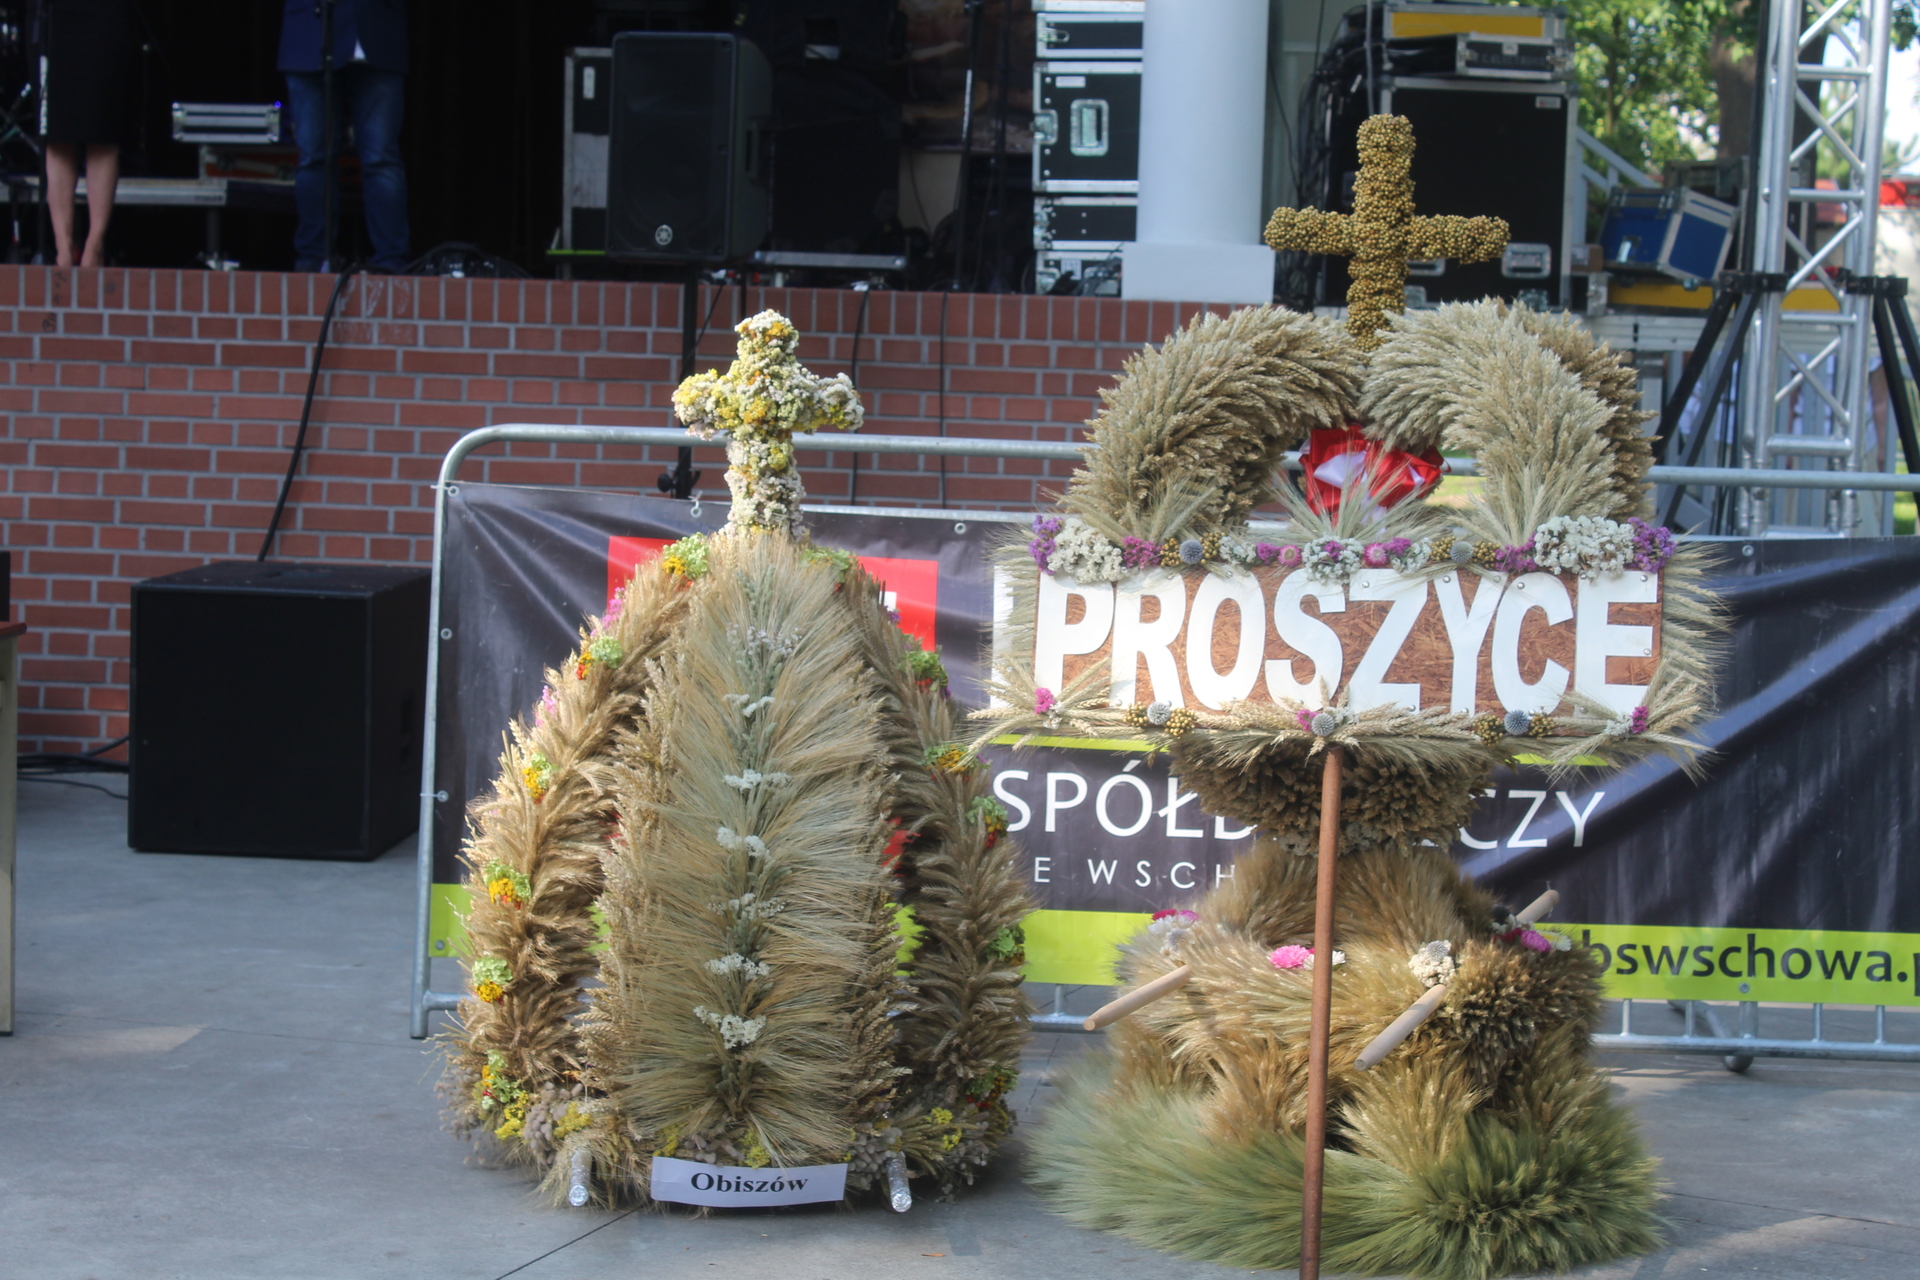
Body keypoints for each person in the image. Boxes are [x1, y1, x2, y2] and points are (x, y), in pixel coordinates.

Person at [277, 0, 411, 272]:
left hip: (377, 27)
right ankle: (314, 260)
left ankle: (391, 262)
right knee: (314, 157)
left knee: (381, 158)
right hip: (310, 29)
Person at [38, 0, 139, 267]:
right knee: (57, 134)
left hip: (104, 10)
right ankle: (63, 246)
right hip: (54, 13)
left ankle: (95, 245)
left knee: (102, 133)